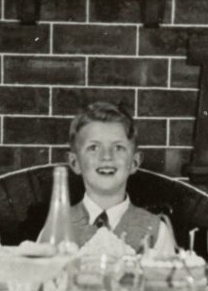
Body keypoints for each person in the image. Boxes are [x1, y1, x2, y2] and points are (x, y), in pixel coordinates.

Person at [66, 102, 171, 250]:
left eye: (118, 148)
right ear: (75, 162)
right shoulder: (57, 227)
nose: (107, 156)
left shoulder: (156, 231)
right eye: (94, 147)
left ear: (134, 162)